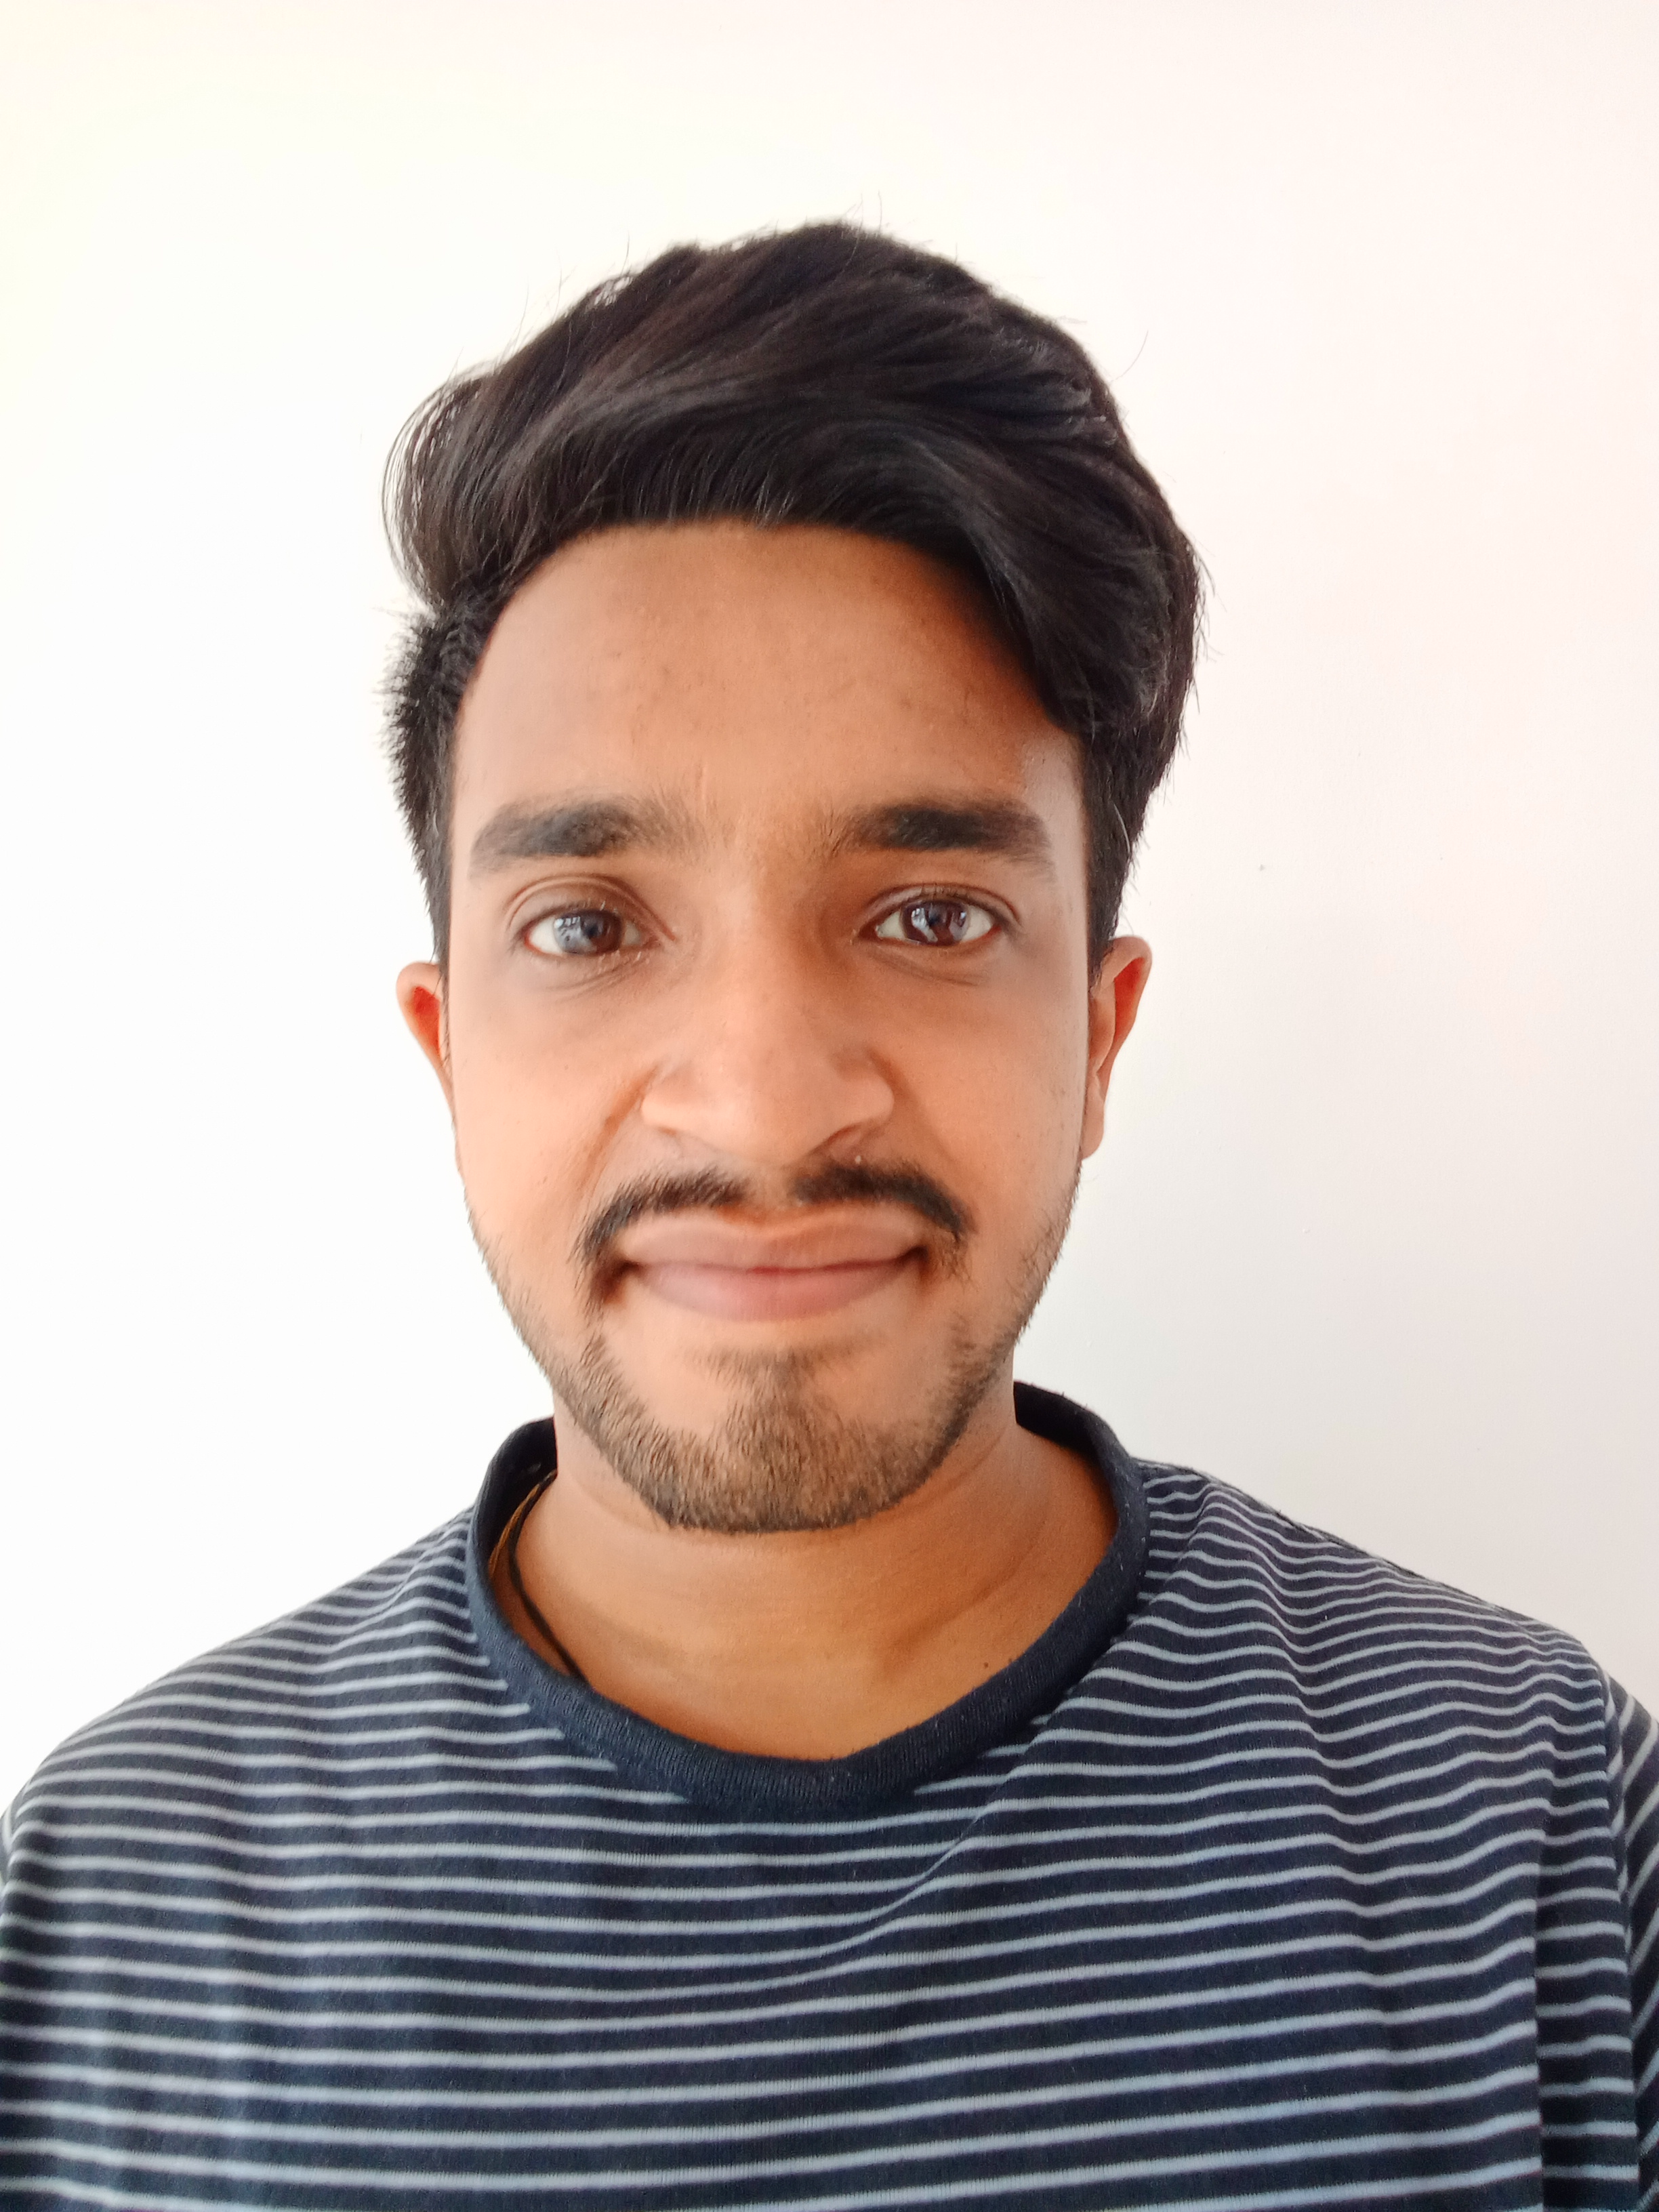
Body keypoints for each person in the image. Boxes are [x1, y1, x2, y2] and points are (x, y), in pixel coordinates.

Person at [1, 222, 1654, 2211]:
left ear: (1098, 1036)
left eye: (933, 915)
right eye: (588, 927)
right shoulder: (114, 1905)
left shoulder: (1526, 1824)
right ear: (449, 1051)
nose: (768, 1104)